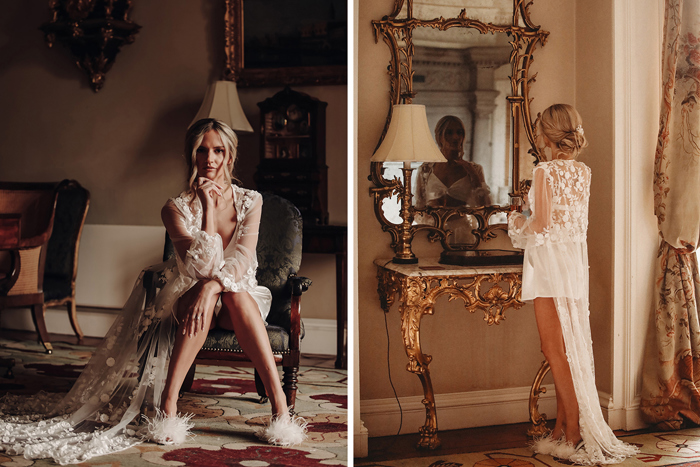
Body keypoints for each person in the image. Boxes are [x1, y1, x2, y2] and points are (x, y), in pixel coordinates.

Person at [0, 119, 306, 465]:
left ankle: (280, 406)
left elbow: (242, 260)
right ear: (191, 156)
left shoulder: (252, 201)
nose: (210, 158)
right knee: (212, 291)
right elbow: (198, 269)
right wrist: (206, 211)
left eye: (218, 150)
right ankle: (168, 405)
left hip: (242, 295)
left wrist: (213, 288)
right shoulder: (174, 208)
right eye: (202, 150)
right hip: (188, 295)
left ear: (230, 156)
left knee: (232, 294)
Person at [507, 104, 637, 464]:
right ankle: (561, 429)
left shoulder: (545, 171)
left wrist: (514, 219)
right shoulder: (583, 171)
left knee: (554, 351)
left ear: (545, 135)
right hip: (573, 266)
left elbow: (541, 225)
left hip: (549, 267)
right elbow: (568, 223)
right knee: (567, 350)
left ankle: (574, 432)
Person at [414, 115, 492, 244]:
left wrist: (474, 177)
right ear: (439, 137)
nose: (455, 137)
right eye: (449, 132)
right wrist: (426, 225)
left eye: (459, 132)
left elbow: (486, 208)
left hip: (462, 234)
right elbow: (418, 207)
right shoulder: (425, 170)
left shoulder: (475, 169)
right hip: (431, 233)